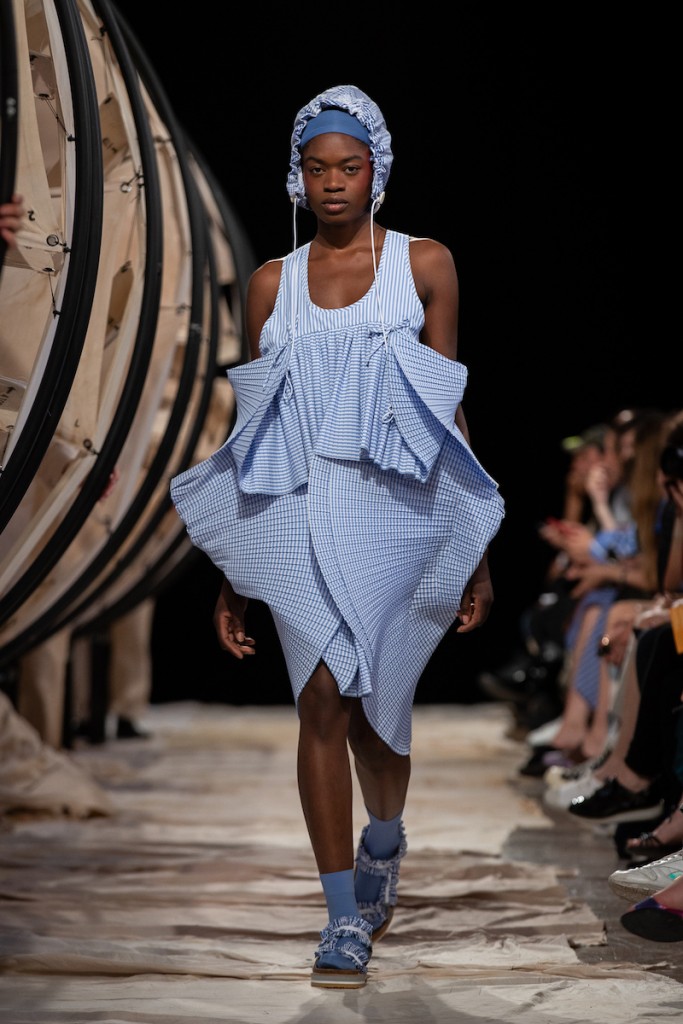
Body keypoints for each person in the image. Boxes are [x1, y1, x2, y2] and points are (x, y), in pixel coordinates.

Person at [170, 84, 505, 988]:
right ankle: (341, 916)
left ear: (375, 169)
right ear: (296, 174)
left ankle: (382, 841)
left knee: (376, 716)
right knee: (320, 700)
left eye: (347, 167)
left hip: (398, 513)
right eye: (316, 168)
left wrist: (472, 550)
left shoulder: (424, 264)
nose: (331, 183)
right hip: (300, 510)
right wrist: (237, 570)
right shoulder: (270, 284)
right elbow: (255, 432)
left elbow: (445, 412)